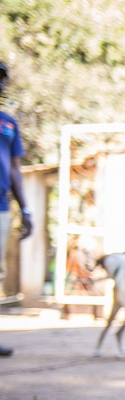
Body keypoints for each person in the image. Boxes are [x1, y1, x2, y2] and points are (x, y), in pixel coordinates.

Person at [0, 61, 33, 358]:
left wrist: (26, 210)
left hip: (1, 205)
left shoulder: (8, 123)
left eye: (1, 80)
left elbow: (14, 169)